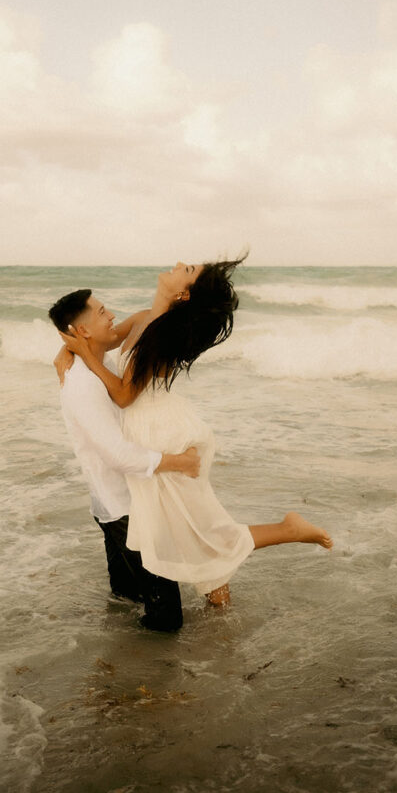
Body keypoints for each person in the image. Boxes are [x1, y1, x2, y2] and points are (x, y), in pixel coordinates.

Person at [58, 258, 332, 608]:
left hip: (161, 433)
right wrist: (66, 350)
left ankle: (288, 529)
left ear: (184, 294)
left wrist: (83, 354)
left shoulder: (159, 334)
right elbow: (96, 337)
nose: (179, 263)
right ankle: (220, 609)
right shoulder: (144, 318)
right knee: (188, 523)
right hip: (152, 430)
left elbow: (125, 396)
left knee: (197, 528)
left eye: (187, 271)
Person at [48, 288, 201, 632]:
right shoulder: (83, 384)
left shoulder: (97, 362)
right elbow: (117, 454)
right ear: (83, 331)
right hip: (124, 508)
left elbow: (122, 332)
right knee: (167, 619)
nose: (111, 316)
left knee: (126, 599)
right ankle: (141, 673)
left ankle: (119, 660)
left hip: (111, 502)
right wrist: (181, 462)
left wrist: (69, 346)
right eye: (102, 312)